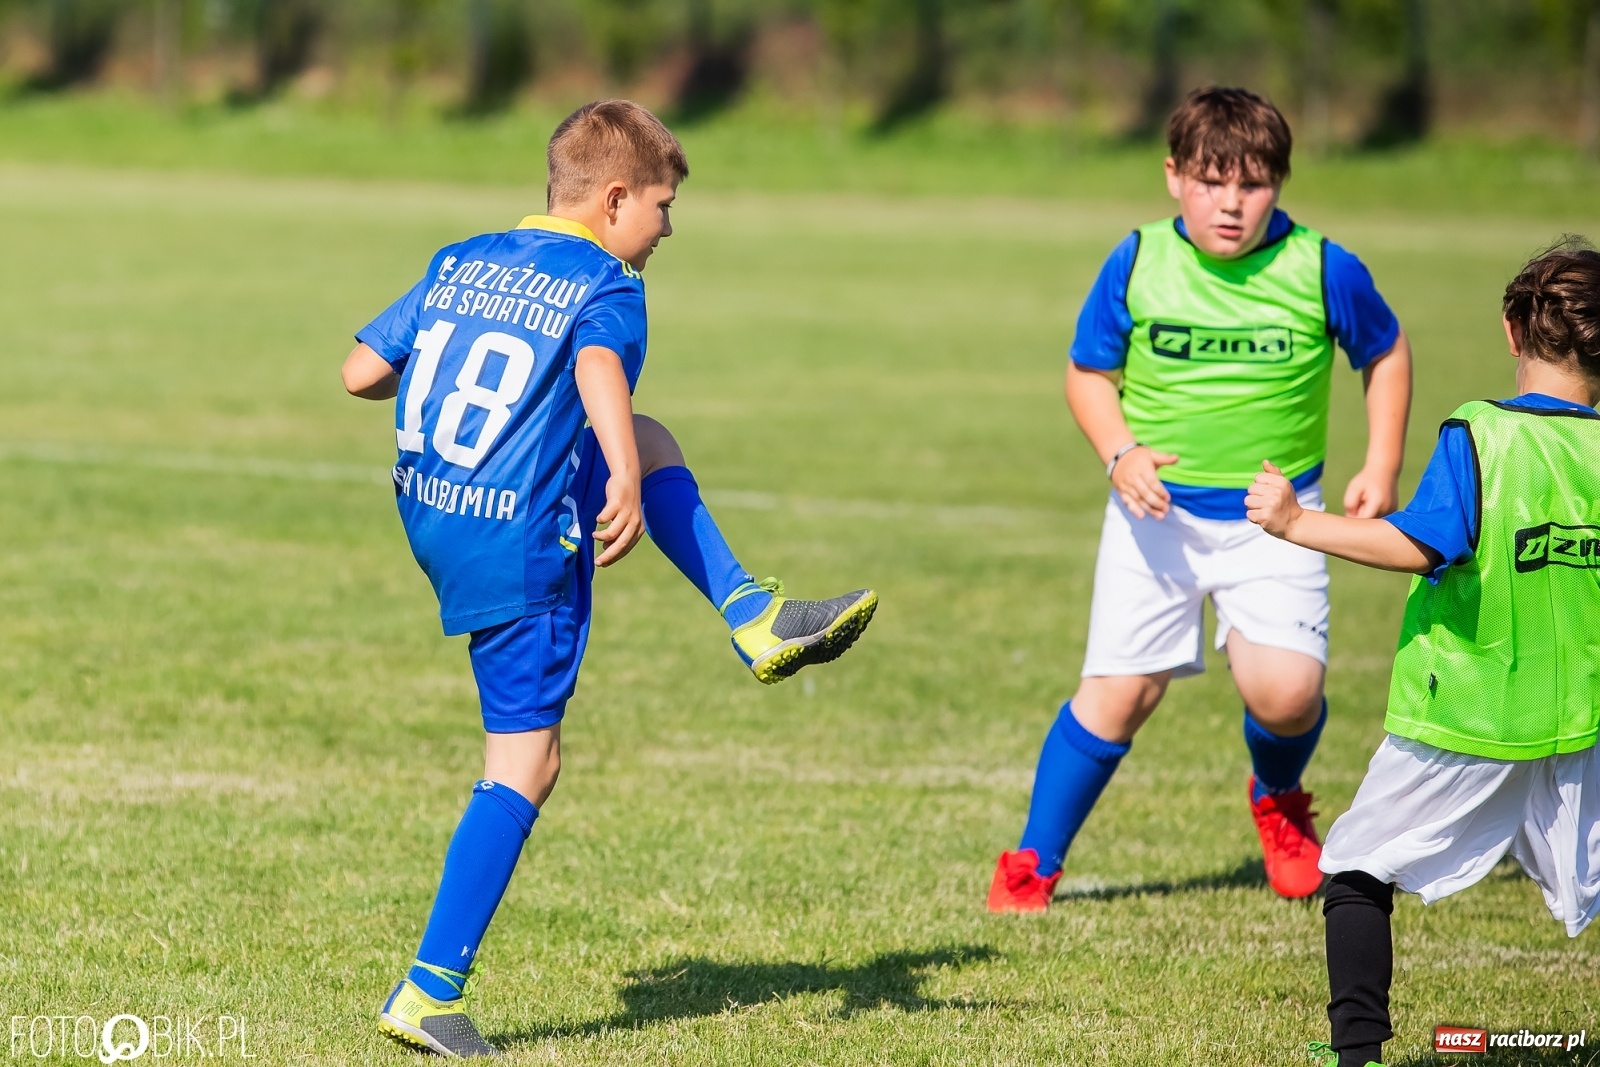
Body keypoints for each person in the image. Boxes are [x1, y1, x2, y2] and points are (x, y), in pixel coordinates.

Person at [340, 100, 877, 1057]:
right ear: (616, 198)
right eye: (664, 207)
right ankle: (427, 990)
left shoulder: (463, 257)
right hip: (518, 537)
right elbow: (595, 366)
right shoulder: (608, 279)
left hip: (437, 508)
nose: (667, 228)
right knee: (526, 763)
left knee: (655, 439)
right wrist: (620, 469)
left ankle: (751, 611)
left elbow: (358, 371)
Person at [988, 86, 1413, 912]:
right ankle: (1032, 862)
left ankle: (1279, 803)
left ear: (1279, 184)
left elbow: (1385, 350)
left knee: (1286, 694)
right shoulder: (1139, 259)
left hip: (1279, 520)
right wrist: (1120, 454)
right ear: (1174, 176)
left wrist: (1383, 462)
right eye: (1212, 181)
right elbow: (1087, 373)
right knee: (1119, 695)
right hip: (1157, 518)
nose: (1231, 203)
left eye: (1253, 183)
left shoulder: (1323, 266)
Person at [1247, 240, 1600, 1067]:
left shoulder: (1482, 436)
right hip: (1583, 718)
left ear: (1511, 332)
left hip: (1466, 714)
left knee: (1360, 868)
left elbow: (1418, 542)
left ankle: (1358, 1050)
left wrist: (1296, 523)